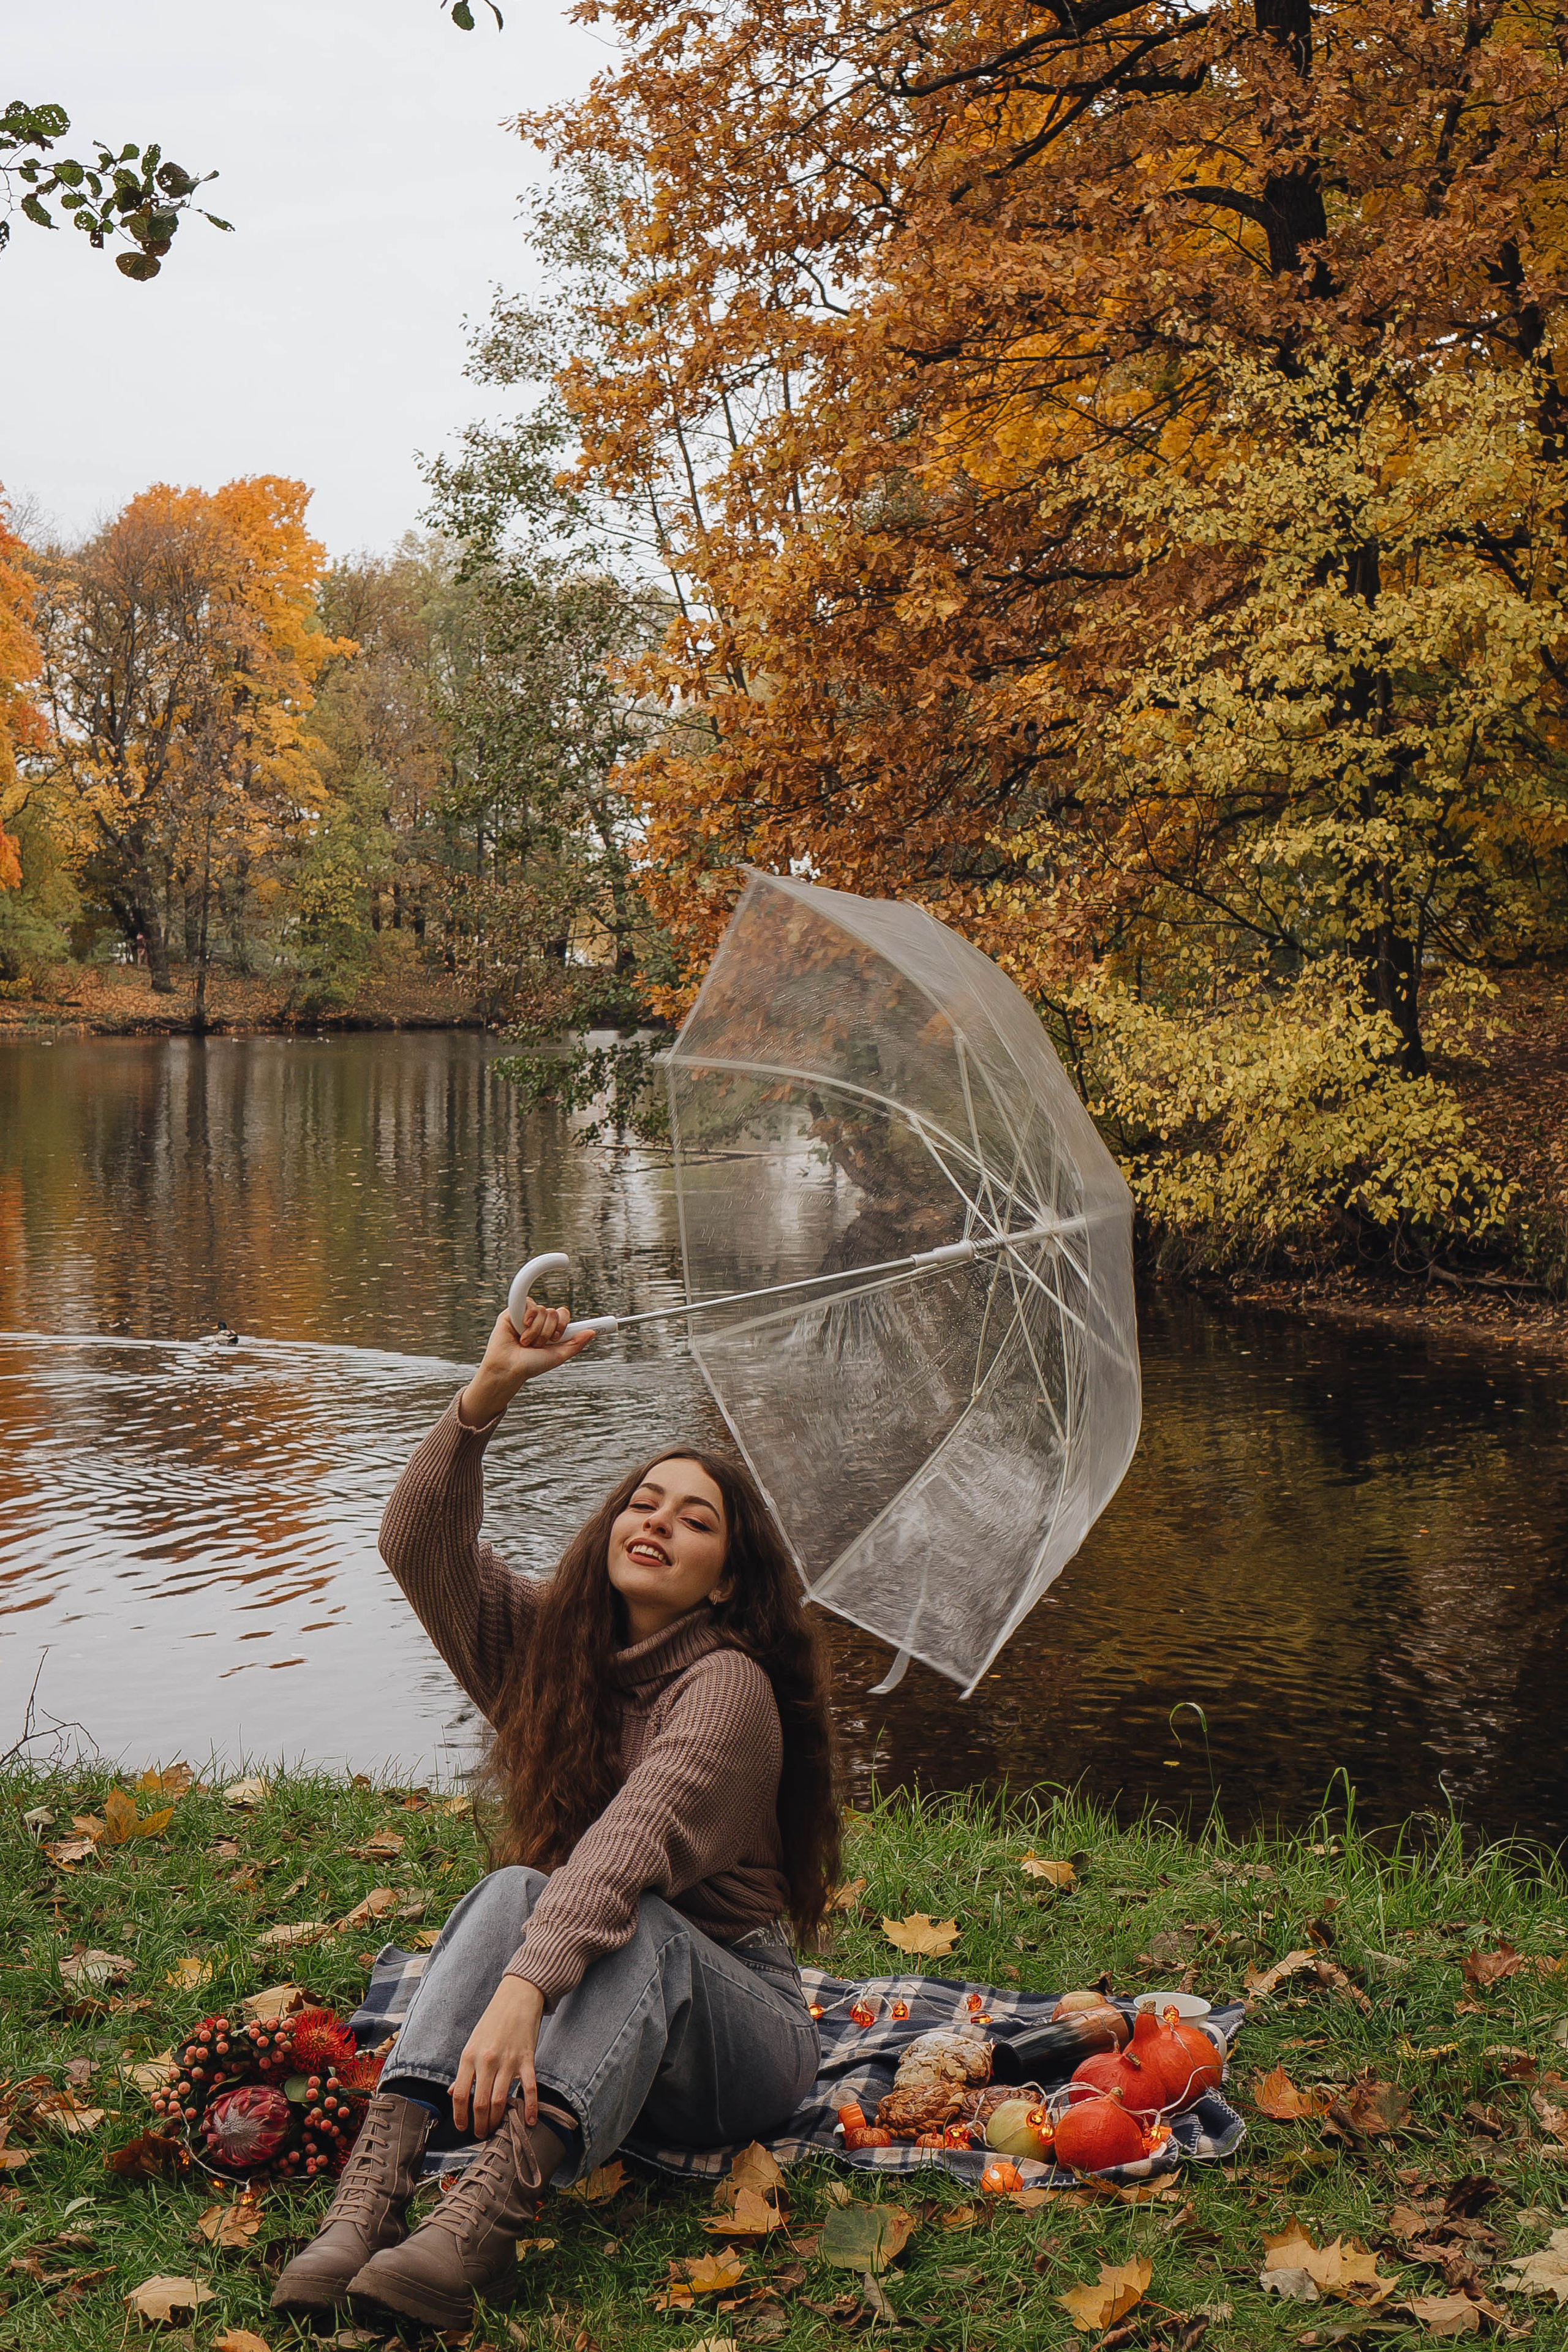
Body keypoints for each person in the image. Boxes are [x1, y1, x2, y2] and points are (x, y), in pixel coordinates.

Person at [273, 1295, 839, 2330]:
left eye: (695, 1519)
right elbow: (418, 1545)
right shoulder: (555, 1654)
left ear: (724, 1584)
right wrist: (490, 1390)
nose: (658, 1520)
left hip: (737, 2038)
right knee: (510, 1888)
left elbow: (629, 1846)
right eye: (644, 1502)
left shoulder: (730, 1688)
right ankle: (370, 2201)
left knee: (633, 1923)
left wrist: (525, 1988)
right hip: (605, 2028)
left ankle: (481, 2225)